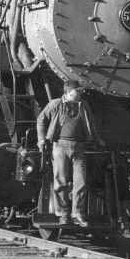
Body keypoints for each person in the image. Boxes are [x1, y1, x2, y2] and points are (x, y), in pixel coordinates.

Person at [37, 81, 104, 227]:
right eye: (77, 91)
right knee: (60, 181)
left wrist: (98, 140)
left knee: (81, 182)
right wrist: (41, 139)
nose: (80, 93)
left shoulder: (83, 105)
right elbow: (41, 119)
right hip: (60, 145)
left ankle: (78, 215)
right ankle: (63, 214)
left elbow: (91, 124)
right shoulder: (55, 104)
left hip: (79, 146)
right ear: (68, 92)